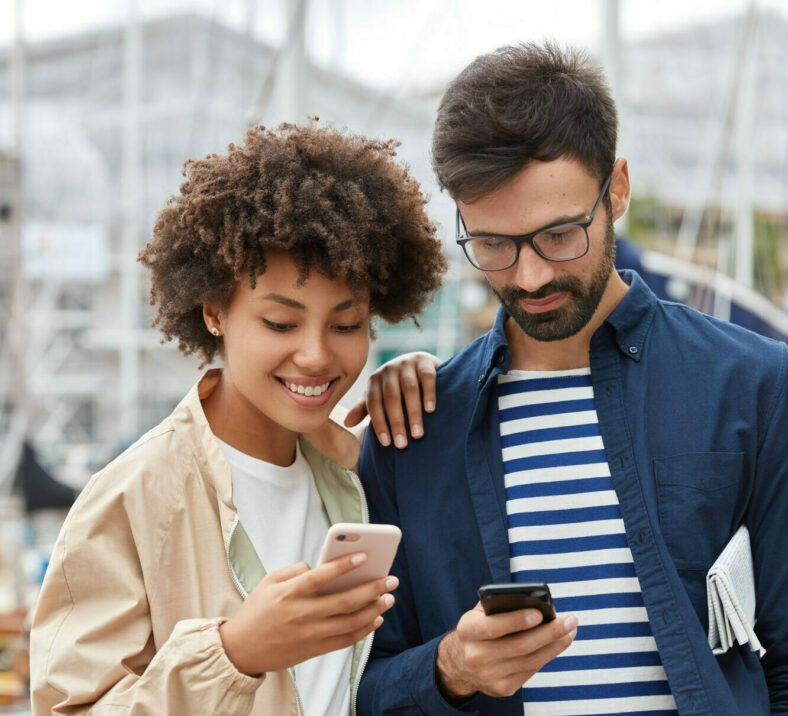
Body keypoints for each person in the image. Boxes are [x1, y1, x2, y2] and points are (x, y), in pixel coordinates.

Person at [356, 42, 788, 715]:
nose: (529, 277)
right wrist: (450, 667)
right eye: (493, 244)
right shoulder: (412, 429)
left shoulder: (757, 388)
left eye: (559, 235)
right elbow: (357, 688)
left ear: (616, 189)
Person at [28, 122, 447, 715]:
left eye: (347, 324)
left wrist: (427, 378)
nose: (317, 354)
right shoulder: (131, 498)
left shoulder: (363, 467)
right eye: (280, 323)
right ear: (214, 313)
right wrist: (234, 654)